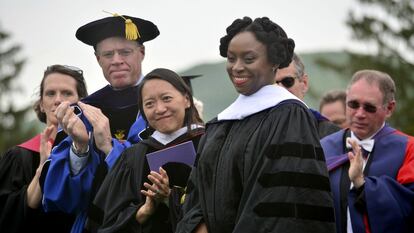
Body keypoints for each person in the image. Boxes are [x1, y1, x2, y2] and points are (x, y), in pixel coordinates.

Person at [177, 17, 336, 233]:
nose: (237, 67)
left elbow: (283, 202)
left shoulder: (289, 116)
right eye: (231, 59)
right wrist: (196, 225)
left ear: (273, 62)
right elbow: (197, 190)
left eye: (249, 58)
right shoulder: (220, 124)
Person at [41, 13, 159, 233]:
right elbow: (59, 198)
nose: (116, 60)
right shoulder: (81, 112)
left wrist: (109, 147)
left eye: (125, 52)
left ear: (141, 53)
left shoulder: (165, 105)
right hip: (94, 224)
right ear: (97, 59)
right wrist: (80, 148)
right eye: (108, 54)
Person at [84, 68, 204, 233]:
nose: (160, 109)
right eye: (149, 104)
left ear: (187, 100)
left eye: (166, 98)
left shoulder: (211, 144)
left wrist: (171, 197)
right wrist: (144, 210)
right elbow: (104, 222)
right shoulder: (132, 157)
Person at [321, 70, 414, 233]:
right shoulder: (324, 147)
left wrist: (362, 184)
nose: (360, 114)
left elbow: (408, 206)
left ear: (389, 108)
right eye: (353, 104)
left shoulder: (408, 148)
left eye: (369, 107)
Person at [0, 64, 88, 233]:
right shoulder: (19, 157)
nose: (58, 99)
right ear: (41, 104)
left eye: (67, 93)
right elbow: (6, 217)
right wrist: (42, 170)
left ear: (81, 102)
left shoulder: (94, 153)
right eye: (50, 93)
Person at [275, 53, 340, 138]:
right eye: (273, 84)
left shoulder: (330, 135)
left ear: (304, 83)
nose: (281, 89)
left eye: (288, 81)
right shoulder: (257, 131)